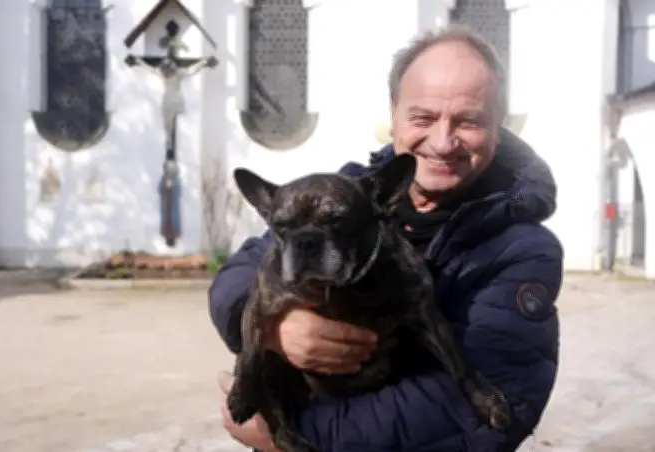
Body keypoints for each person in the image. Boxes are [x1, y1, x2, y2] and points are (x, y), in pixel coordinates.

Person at [209, 25, 564, 452]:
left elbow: (480, 407)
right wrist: (276, 331)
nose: (442, 140)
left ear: (498, 125)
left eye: (468, 120)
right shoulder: (341, 191)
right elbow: (241, 272)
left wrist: (293, 437)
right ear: (393, 116)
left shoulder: (521, 250)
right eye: (423, 117)